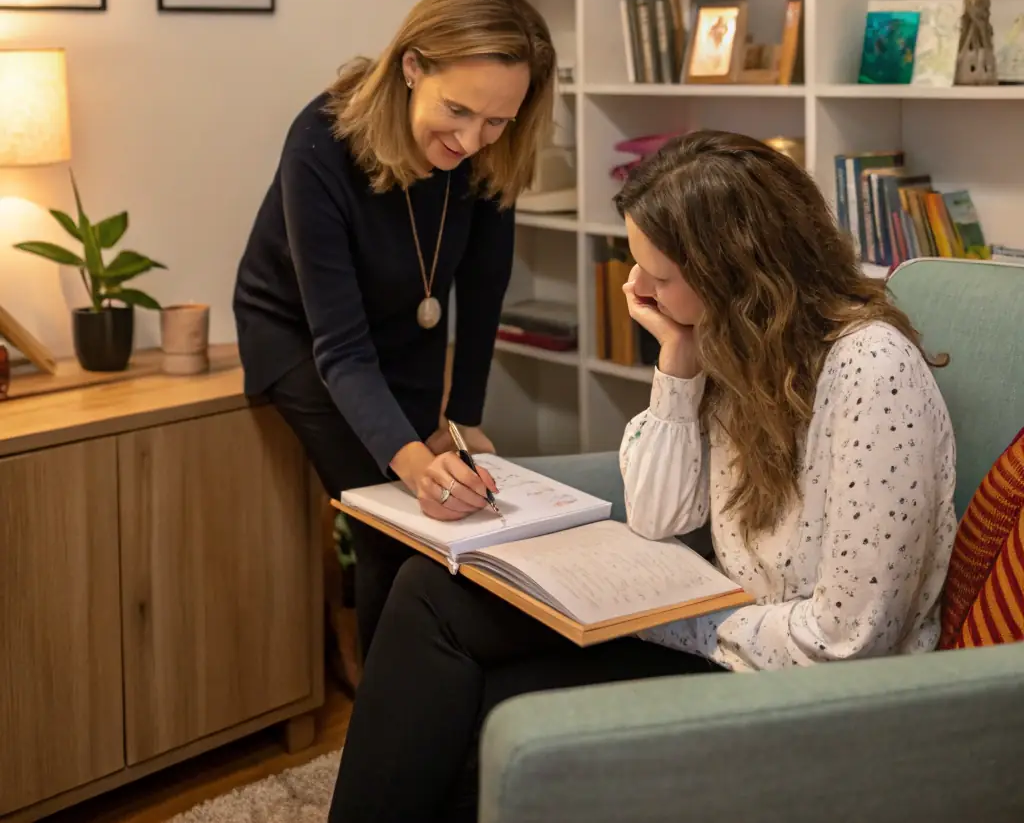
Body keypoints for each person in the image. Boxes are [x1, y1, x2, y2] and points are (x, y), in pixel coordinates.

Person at [330, 131, 957, 823]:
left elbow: (847, 644)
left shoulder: (873, 373)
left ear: (735, 271)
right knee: (431, 596)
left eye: (658, 275)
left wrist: (676, 623)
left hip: (808, 697)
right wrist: (678, 361)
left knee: (493, 703)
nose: (634, 289)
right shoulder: (739, 345)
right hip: (734, 644)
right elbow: (659, 516)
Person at [233, 0, 556, 654]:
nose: (471, 139)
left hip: (408, 326)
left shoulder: (491, 148)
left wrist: (461, 419)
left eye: (496, 121)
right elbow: (341, 349)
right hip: (299, 334)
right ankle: (384, 701)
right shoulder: (321, 142)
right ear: (413, 66)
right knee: (392, 519)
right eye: (458, 110)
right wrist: (413, 462)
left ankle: (433, 679)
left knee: (443, 509)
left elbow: (484, 287)